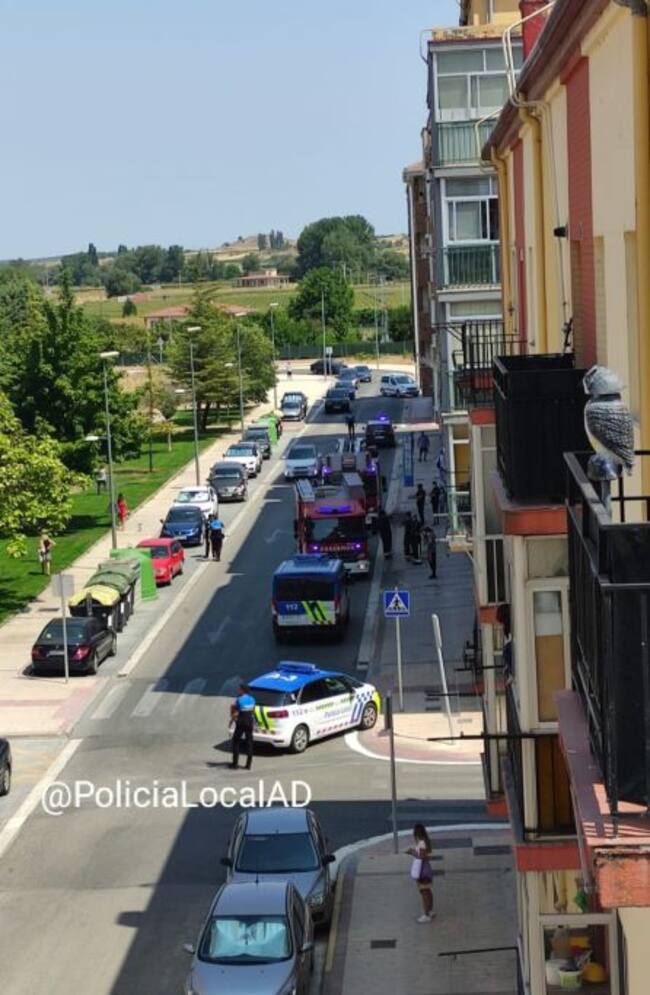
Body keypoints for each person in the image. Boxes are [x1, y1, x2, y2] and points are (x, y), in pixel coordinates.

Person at [406, 824, 435, 922]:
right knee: (428, 890)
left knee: (423, 892)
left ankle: (426, 914)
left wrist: (412, 852)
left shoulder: (421, 843)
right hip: (426, 869)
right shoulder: (425, 842)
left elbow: (422, 856)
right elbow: (425, 855)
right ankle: (430, 911)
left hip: (422, 870)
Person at [230, 683, 256, 770]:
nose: (238, 690)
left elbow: (235, 712)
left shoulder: (239, 699)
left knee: (236, 741)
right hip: (249, 722)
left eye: (239, 689)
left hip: (241, 721)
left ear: (242, 690)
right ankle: (248, 765)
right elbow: (253, 711)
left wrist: (232, 721)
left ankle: (235, 764)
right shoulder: (252, 699)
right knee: (249, 742)